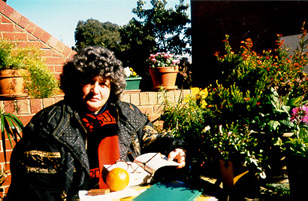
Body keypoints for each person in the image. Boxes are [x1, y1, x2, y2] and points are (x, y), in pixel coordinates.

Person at [5, 46, 186, 201]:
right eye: (89, 82)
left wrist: (175, 147)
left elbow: (152, 138)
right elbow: (37, 187)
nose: (96, 91)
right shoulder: (49, 123)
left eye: (103, 84)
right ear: (75, 83)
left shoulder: (126, 114)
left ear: (113, 86)